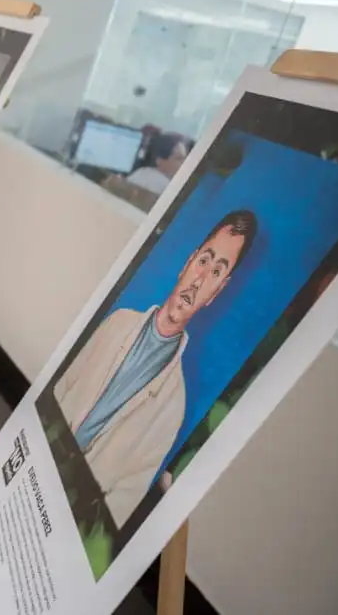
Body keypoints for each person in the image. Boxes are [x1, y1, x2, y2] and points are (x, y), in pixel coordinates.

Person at [53, 210, 258, 525]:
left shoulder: (174, 404)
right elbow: (60, 389)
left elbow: (122, 504)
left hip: (70, 515)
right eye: (204, 260)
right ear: (187, 263)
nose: (201, 279)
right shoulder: (117, 322)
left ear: (217, 292)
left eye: (217, 271)